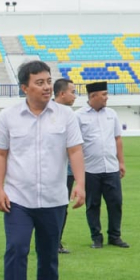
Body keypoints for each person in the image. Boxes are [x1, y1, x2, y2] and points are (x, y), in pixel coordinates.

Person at [0, 62, 86, 280]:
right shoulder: (8, 116)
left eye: (48, 81)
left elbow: (75, 151)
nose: (46, 87)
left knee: (48, 253)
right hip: (18, 197)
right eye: (39, 82)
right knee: (16, 249)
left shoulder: (66, 116)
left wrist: (80, 183)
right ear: (24, 87)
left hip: (54, 198)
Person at [77, 81, 129, 249]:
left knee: (115, 203)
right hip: (90, 168)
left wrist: (121, 161)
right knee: (93, 205)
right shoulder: (79, 116)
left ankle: (115, 236)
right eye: (104, 95)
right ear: (93, 96)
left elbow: (117, 138)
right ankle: (96, 238)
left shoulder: (112, 114)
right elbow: (75, 145)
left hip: (111, 167)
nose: (107, 98)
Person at [52, 78, 78, 254]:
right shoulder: (48, 113)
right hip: (51, 170)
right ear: (62, 93)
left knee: (62, 207)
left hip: (67, 171)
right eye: (73, 92)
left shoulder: (70, 115)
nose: (75, 96)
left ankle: (56, 242)